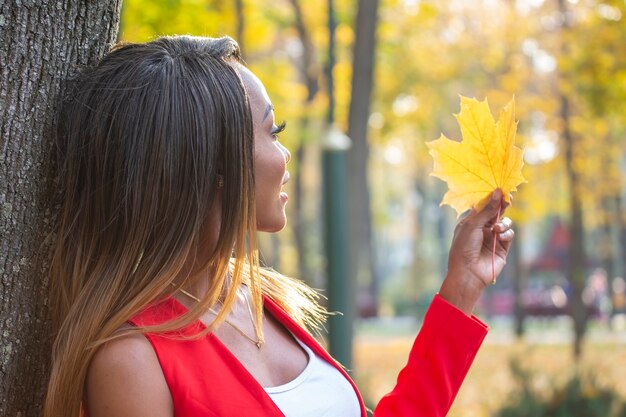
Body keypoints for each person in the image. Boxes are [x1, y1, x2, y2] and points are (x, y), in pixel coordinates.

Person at [44, 35, 515, 417]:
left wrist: (461, 290)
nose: (285, 156)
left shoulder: (259, 302)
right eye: (273, 132)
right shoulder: (133, 361)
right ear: (214, 166)